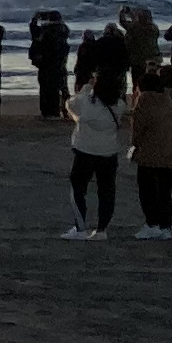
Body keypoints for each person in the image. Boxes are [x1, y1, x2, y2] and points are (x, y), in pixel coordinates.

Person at [63, 73, 125, 239]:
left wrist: (86, 89)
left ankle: (81, 227)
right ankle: (101, 229)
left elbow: (70, 104)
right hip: (108, 151)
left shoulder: (85, 101)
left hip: (85, 151)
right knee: (106, 191)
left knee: (78, 187)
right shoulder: (119, 105)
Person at [126, 68, 172, 236]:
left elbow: (139, 127)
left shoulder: (145, 99)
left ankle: (152, 224)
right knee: (167, 191)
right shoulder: (167, 98)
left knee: (147, 190)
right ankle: (166, 226)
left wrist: (134, 145)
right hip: (171, 150)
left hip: (150, 152)